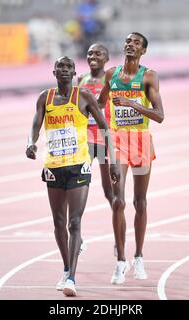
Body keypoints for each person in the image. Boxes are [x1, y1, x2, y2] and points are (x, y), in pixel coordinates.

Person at [26, 56, 120, 296]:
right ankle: (66, 266)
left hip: (79, 165)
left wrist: (112, 162)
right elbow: (36, 125)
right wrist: (31, 144)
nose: (65, 70)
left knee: (74, 222)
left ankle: (71, 278)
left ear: (73, 72)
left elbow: (103, 127)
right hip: (53, 166)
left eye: (69, 67)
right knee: (58, 222)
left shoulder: (84, 96)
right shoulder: (44, 98)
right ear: (54, 72)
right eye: (61, 67)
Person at [98, 32, 164, 285]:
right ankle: (120, 261)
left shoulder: (148, 76)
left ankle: (138, 256)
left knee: (140, 202)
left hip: (141, 140)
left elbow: (159, 115)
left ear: (143, 51)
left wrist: (133, 104)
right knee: (118, 201)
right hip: (118, 142)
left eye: (137, 42)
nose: (130, 44)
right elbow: (100, 102)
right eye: (128, 41)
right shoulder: (111, 74)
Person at [77, 43, 113, 209]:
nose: (93, 57)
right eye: (90, 53)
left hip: (105, 139)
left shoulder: (111, 80)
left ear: (106, 59)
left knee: (110, 191)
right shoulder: (81, 79)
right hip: (86, 140)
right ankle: (76, 227)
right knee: (80, 184)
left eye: (98, 54)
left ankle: (119, 226)